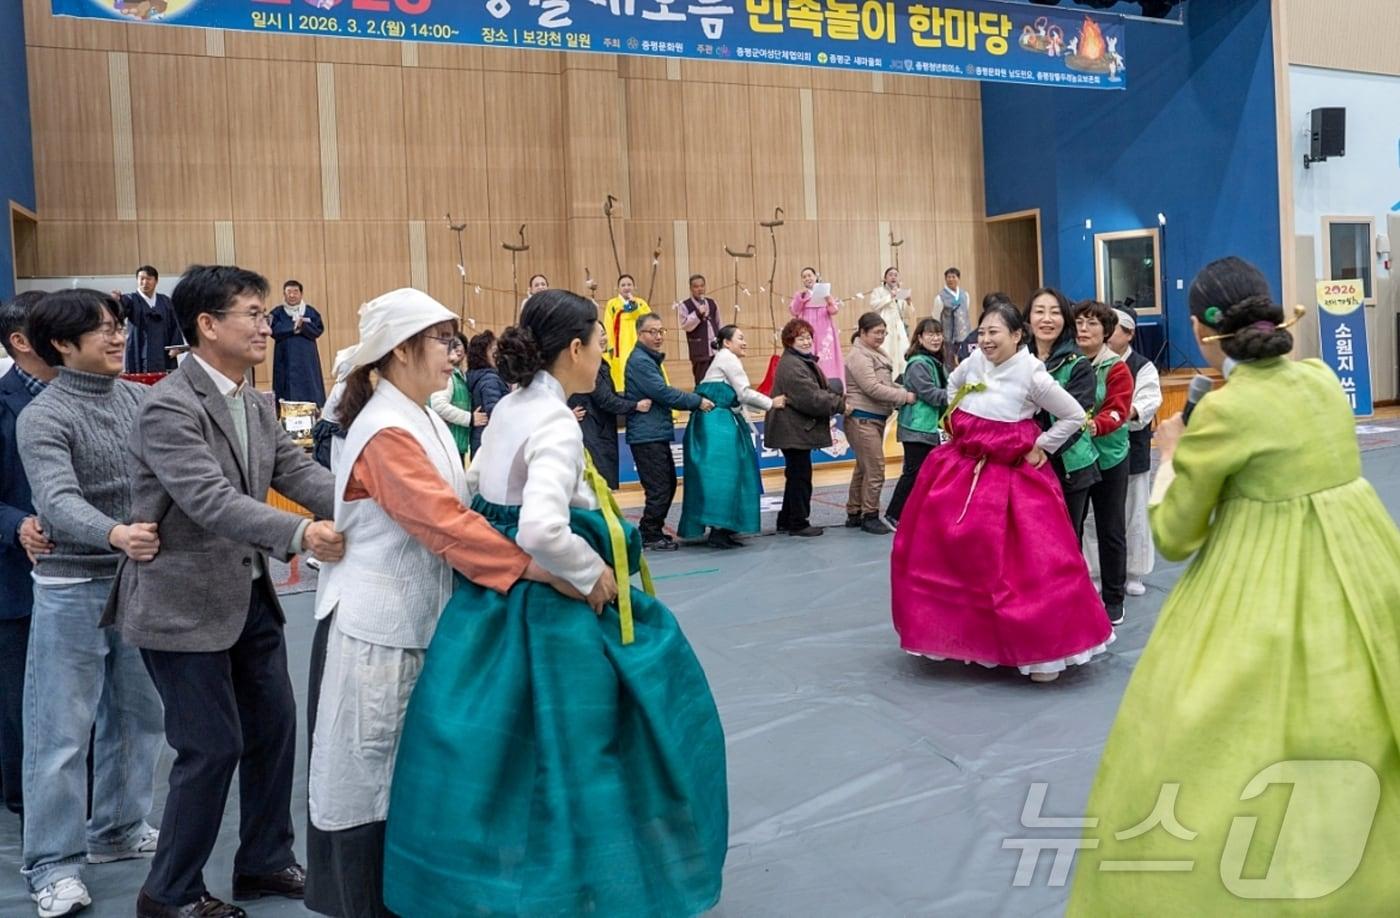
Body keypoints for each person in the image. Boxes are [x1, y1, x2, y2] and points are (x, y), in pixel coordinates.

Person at [1067, 256, 1400, 913]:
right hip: (1366, 565)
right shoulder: (1323, 382)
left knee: (1214, 740)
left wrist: (1169, 453)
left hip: (1263, 580)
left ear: (1198, 329)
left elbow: (1175, 534)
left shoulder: (1225, 412)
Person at [383, 290, 728, 918]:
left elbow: (473, 487)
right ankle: (590, 893)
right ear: (575, 348)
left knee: (508, 762)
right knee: (587, 754)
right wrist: (588, 571)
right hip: (555, 619)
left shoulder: (511, 407)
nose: (604, 357)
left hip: (489, 612)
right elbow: (543, 528)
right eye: (600, 344)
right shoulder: (554, 424)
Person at [306, 288, 578, 918]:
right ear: (401, 351)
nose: (454, 356)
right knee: (370, 781)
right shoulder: (383, 428)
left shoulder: (421, 413)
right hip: (376, 632)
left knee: (407, 780)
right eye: (442, 342)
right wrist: (545, 569)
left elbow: (463, 493)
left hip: (418, 623)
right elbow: (443, 522)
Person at [107, 265, 344, 918]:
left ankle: (265, 861)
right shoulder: (168, 406)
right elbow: (209, 500)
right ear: (208, 325)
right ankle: (169, 892)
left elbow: (292, 469)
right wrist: (305, 537)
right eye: (251, 312)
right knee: (210, 748)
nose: (265, 324)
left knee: (276, 730)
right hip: (182, 606)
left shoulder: (252, 398)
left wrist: (362, 504)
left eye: (265, 311)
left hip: (248, 597)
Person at [16, 290, 166, 918]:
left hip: (137, 580)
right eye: (101, 330)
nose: (116, 337)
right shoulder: (43, 416)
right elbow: (55, 500)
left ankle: (118, 829)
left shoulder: (140, 399)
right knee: (60, 733)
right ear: (62, 345)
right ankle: (52, 864)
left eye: (117, 326)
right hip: (70, 587)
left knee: (140, 716)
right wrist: (114, 533)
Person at [891, 302, 1113, 683]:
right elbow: (952, 385)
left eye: (995, 332)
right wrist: (955, 417)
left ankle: (1042, 651)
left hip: (1013, 481)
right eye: (982, 332)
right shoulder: (973, 361)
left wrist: (1044, 444)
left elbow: (1075, 415)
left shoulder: (1033, 375)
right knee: (950, 558)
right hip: (961, 473)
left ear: (1016, 335)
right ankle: (963, 642)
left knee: (1028, 566)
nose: (986, 339)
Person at [0, 291, 53, 822]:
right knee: (21, 699)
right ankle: (25, 798)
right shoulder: (3, 404)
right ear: (20, 341)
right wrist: (17, 525)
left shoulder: (96, 397)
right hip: (15, 578)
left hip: (87, 575)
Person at [679, 325, 782, 549]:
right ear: (726, 342)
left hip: (714, 422)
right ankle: (719, 529)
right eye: (740, 338)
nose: (745, 342)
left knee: (722, 475)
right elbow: (744, 392)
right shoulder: (728, 358)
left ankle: (723, 528)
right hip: (717, 425)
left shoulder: (723, 359)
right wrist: (771, 403)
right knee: (723, 475)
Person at [1083, 303, 1161, 595]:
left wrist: (1119, 413)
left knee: (1133, 514)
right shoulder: (1087, 362)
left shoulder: (1142, 366)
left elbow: (1149, 401)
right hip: (1092, 450)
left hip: (1130, 448)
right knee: (1095, 517)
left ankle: (1134, 571)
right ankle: (1095, 571)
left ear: (1128, 334)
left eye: (1110, 327)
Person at [624, 313, 713, 551]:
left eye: (661, 331)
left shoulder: (649, 359)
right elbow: (662, 392)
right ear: (639, 334)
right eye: (652, 332)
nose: (658, 336)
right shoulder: (641, 361)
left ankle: (652, 529)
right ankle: (649, 532)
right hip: (647, 435)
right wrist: (697, 401)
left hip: (655, 432)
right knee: (660, 487)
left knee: (667, 484)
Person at [1073, 299, 1134, 626]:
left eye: (1092, 323)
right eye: (1080, 322)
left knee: (1111, 529)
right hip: (1074, 458)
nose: (1083, 328)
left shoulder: (1116, 367)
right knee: (1071, 529)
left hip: (1110, 456)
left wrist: (1092, 424)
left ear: (1106, 332)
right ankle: (1074, 593)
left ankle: (1114, 597)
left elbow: (1118, 410)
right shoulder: (1066, 363)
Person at [1025, 287, 1100, 527]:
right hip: (1024, 461)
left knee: (1066, 543)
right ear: (1028, 318)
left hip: (1069, 466)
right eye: (1039, 311)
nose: (1047, 319)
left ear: (1065, 320)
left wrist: (1043, 450)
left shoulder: (1078, 365)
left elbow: (1077, 420)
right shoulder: (1015, 362)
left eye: (1055, 312)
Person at [764, 319, 844, 538]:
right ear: (790, 341)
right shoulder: (792, 365)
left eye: (809, 337)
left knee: (795, 475)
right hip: (792, 429)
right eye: (801, 337)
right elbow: (811, 398)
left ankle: (787, 519)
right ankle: (798, 522)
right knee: (800, 476)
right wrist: (841, 404)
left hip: (793, 428)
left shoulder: (799, 361)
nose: (807, 341)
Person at [844, 312, 915, 535]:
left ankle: (854, 512)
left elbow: (883, 383)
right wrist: (904, 397)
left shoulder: (874, 352)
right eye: (877, 332)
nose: (881, 336)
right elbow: (872, 387)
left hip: (873, 417)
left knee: (863, 468)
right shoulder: (859, 356)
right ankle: (870, 515)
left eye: (884, 332)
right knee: (875, 468)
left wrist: (899, 390)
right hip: (862, 417)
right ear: (862, 332)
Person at [567, 324, 652, 490]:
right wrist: (635, 405)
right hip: (591, 431)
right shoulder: (589, 365)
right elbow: (606, 400)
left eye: (604, 333)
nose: (603, 338)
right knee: (597, 486)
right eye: (597, 335)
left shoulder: (599, 362)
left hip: (600, 428)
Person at [884, 318, 949, 528]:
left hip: (928, 427)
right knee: (913, 473)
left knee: (927, 474)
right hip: (917, 427)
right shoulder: (919, 363)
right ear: (919, 338)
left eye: (938, 333)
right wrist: (959, 394)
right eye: (930, 334)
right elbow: (930, 394)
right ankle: (894, 514)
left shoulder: (934, 362)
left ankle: (915, 514)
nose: (936, 338)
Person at [269, 280, 327, 408]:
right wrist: (293, 327)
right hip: (284, 357)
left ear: (301, 294)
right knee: (285, 387)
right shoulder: (277, 313)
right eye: (289, 292)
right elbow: (272, 330)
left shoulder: (310, 311)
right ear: (284, 294)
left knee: (310, 384)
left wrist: (304, 326)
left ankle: (312, 411)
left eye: (295, 291)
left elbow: (318, 329)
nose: (292, 295)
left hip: (307, 357)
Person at [116, 265, 184, 373]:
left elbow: (175, 324)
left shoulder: (165, 301)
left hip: (163, 351)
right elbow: (118, 311)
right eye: (141, 279)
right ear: (137, 280)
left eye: (149, 279)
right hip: (139, 349)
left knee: (165, 382)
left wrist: (176, 347)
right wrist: (115, 301)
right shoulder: (130, 299)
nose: (145, 282)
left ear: (156, 281)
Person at [789, 266, 843, 383]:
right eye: (804, 277)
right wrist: (800, 298)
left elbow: (834, 311)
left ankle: (829, 382)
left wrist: (828, 299)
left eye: (809, 275)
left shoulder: (825, 293)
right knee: (809, 353)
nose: (807, 278)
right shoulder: (801, 295)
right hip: (807, 328)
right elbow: (794, 311)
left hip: (824, 327)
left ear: (815, 277)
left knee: (826, 356)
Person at [428, 331, 472, 462]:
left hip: (457, 442)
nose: (456, 350)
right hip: (447, 443)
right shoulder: (448, 376)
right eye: (451, 345)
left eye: (458, 345)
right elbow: (438, 405)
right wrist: (470, 419)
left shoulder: (460, 376)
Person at [603, 273, 653, 390]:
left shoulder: (641, 303)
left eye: (629, 284)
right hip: (620, 345)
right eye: (623, 285)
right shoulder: (612, 304)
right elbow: (608, 325)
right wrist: (609, 346)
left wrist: (635, 307)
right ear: (617, 288)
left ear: (634, 287)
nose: (626, 287)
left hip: (638, 342)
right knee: (622, 370)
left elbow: (649, 321)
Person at [465, 329, 507, 456]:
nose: (497, 354)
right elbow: (494, 411)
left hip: (480, 438)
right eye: (493, 350)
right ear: (482, 354)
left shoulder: (478, 376)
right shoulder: (489, 379)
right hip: (489, 441)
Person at [676, 273, 723, 384]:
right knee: (702, 380)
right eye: (696, 286)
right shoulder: (684, 305)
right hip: (699, 349)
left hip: (715, 349)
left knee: (718, 378)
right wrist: (697, 313)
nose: (700, 289)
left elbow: (719, 323)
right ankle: (702, 400)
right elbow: (685, 326)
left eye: (702, 286)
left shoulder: (712, 303)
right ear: (691, 288)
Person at [867, 266, 912, 379]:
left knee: (902, 349)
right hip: (884, 324)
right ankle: (886, 376)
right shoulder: (878, 291)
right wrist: (890, 296)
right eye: (890, 275)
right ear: (885, 278)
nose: (893, 277)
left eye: (896, 275)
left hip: (898, 325)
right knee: (886, 348)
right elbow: (874, 305)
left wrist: (908, 302)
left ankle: (902, 376)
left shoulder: (901, 292)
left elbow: (906, 311)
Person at [934, 267, 971, 348]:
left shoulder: (965, 294)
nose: (951, 279)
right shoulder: (940, 297)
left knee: (964, 358)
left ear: (958, 279)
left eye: (953, 277)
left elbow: (966, 311)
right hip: (948, 336)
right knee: (949, 359)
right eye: (948, 277)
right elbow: (936, 317)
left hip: (964, 334)